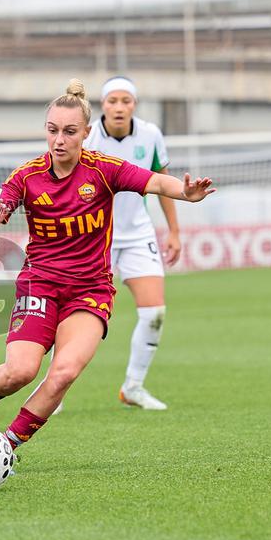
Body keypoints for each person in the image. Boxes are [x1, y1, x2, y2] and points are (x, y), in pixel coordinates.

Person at [0, 80, 214, 454]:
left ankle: (2, 449)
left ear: (86, 133)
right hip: (39, 285)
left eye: (69, 132)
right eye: (53, 130)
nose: (59, 140)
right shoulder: (26, 176)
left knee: (64, 374)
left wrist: (184, 193)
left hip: (89, 290)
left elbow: (153, 180)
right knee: (20, 372)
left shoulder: (104, 169)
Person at [83, 76, 179, 409]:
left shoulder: (151, 135)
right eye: (113, 101)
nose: (119, 107)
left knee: (154, 312)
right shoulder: (87, 135)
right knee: (73, 314)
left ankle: (133, 387)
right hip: (94, 239)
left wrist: (174, 232)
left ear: (134, 105)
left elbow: (164, 183)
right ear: (103, 105)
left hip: (138, 234)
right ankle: (55, 385)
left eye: (126, 100)